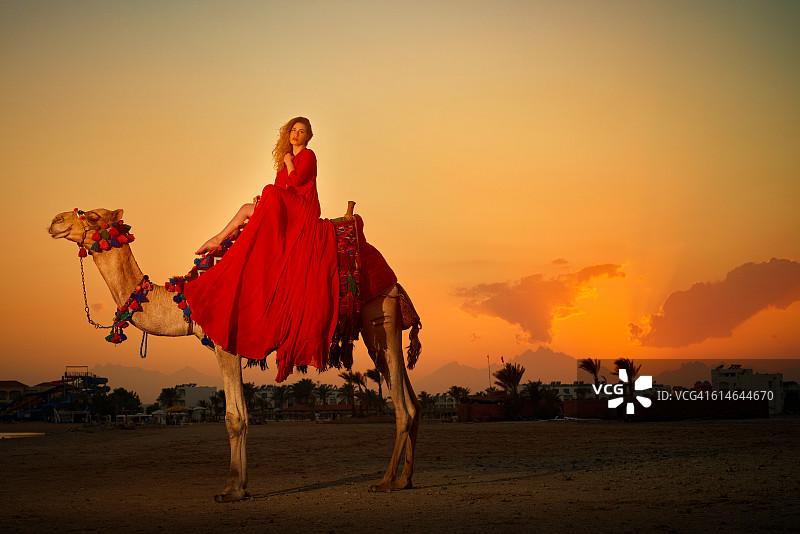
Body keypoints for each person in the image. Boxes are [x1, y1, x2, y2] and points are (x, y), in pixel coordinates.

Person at [184, 117, 339, 382]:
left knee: (269, 192)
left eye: (301, 132)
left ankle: (241, 230)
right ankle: (217, 239)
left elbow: (299, 181)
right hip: (287, 205)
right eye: (293, 131)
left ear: (308, 137)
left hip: (302, 209)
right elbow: (281, 188)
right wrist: (265, 199)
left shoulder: (308, 156)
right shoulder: (285, 160)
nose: (296, 135)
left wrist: (289, 164)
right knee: (248, 207)